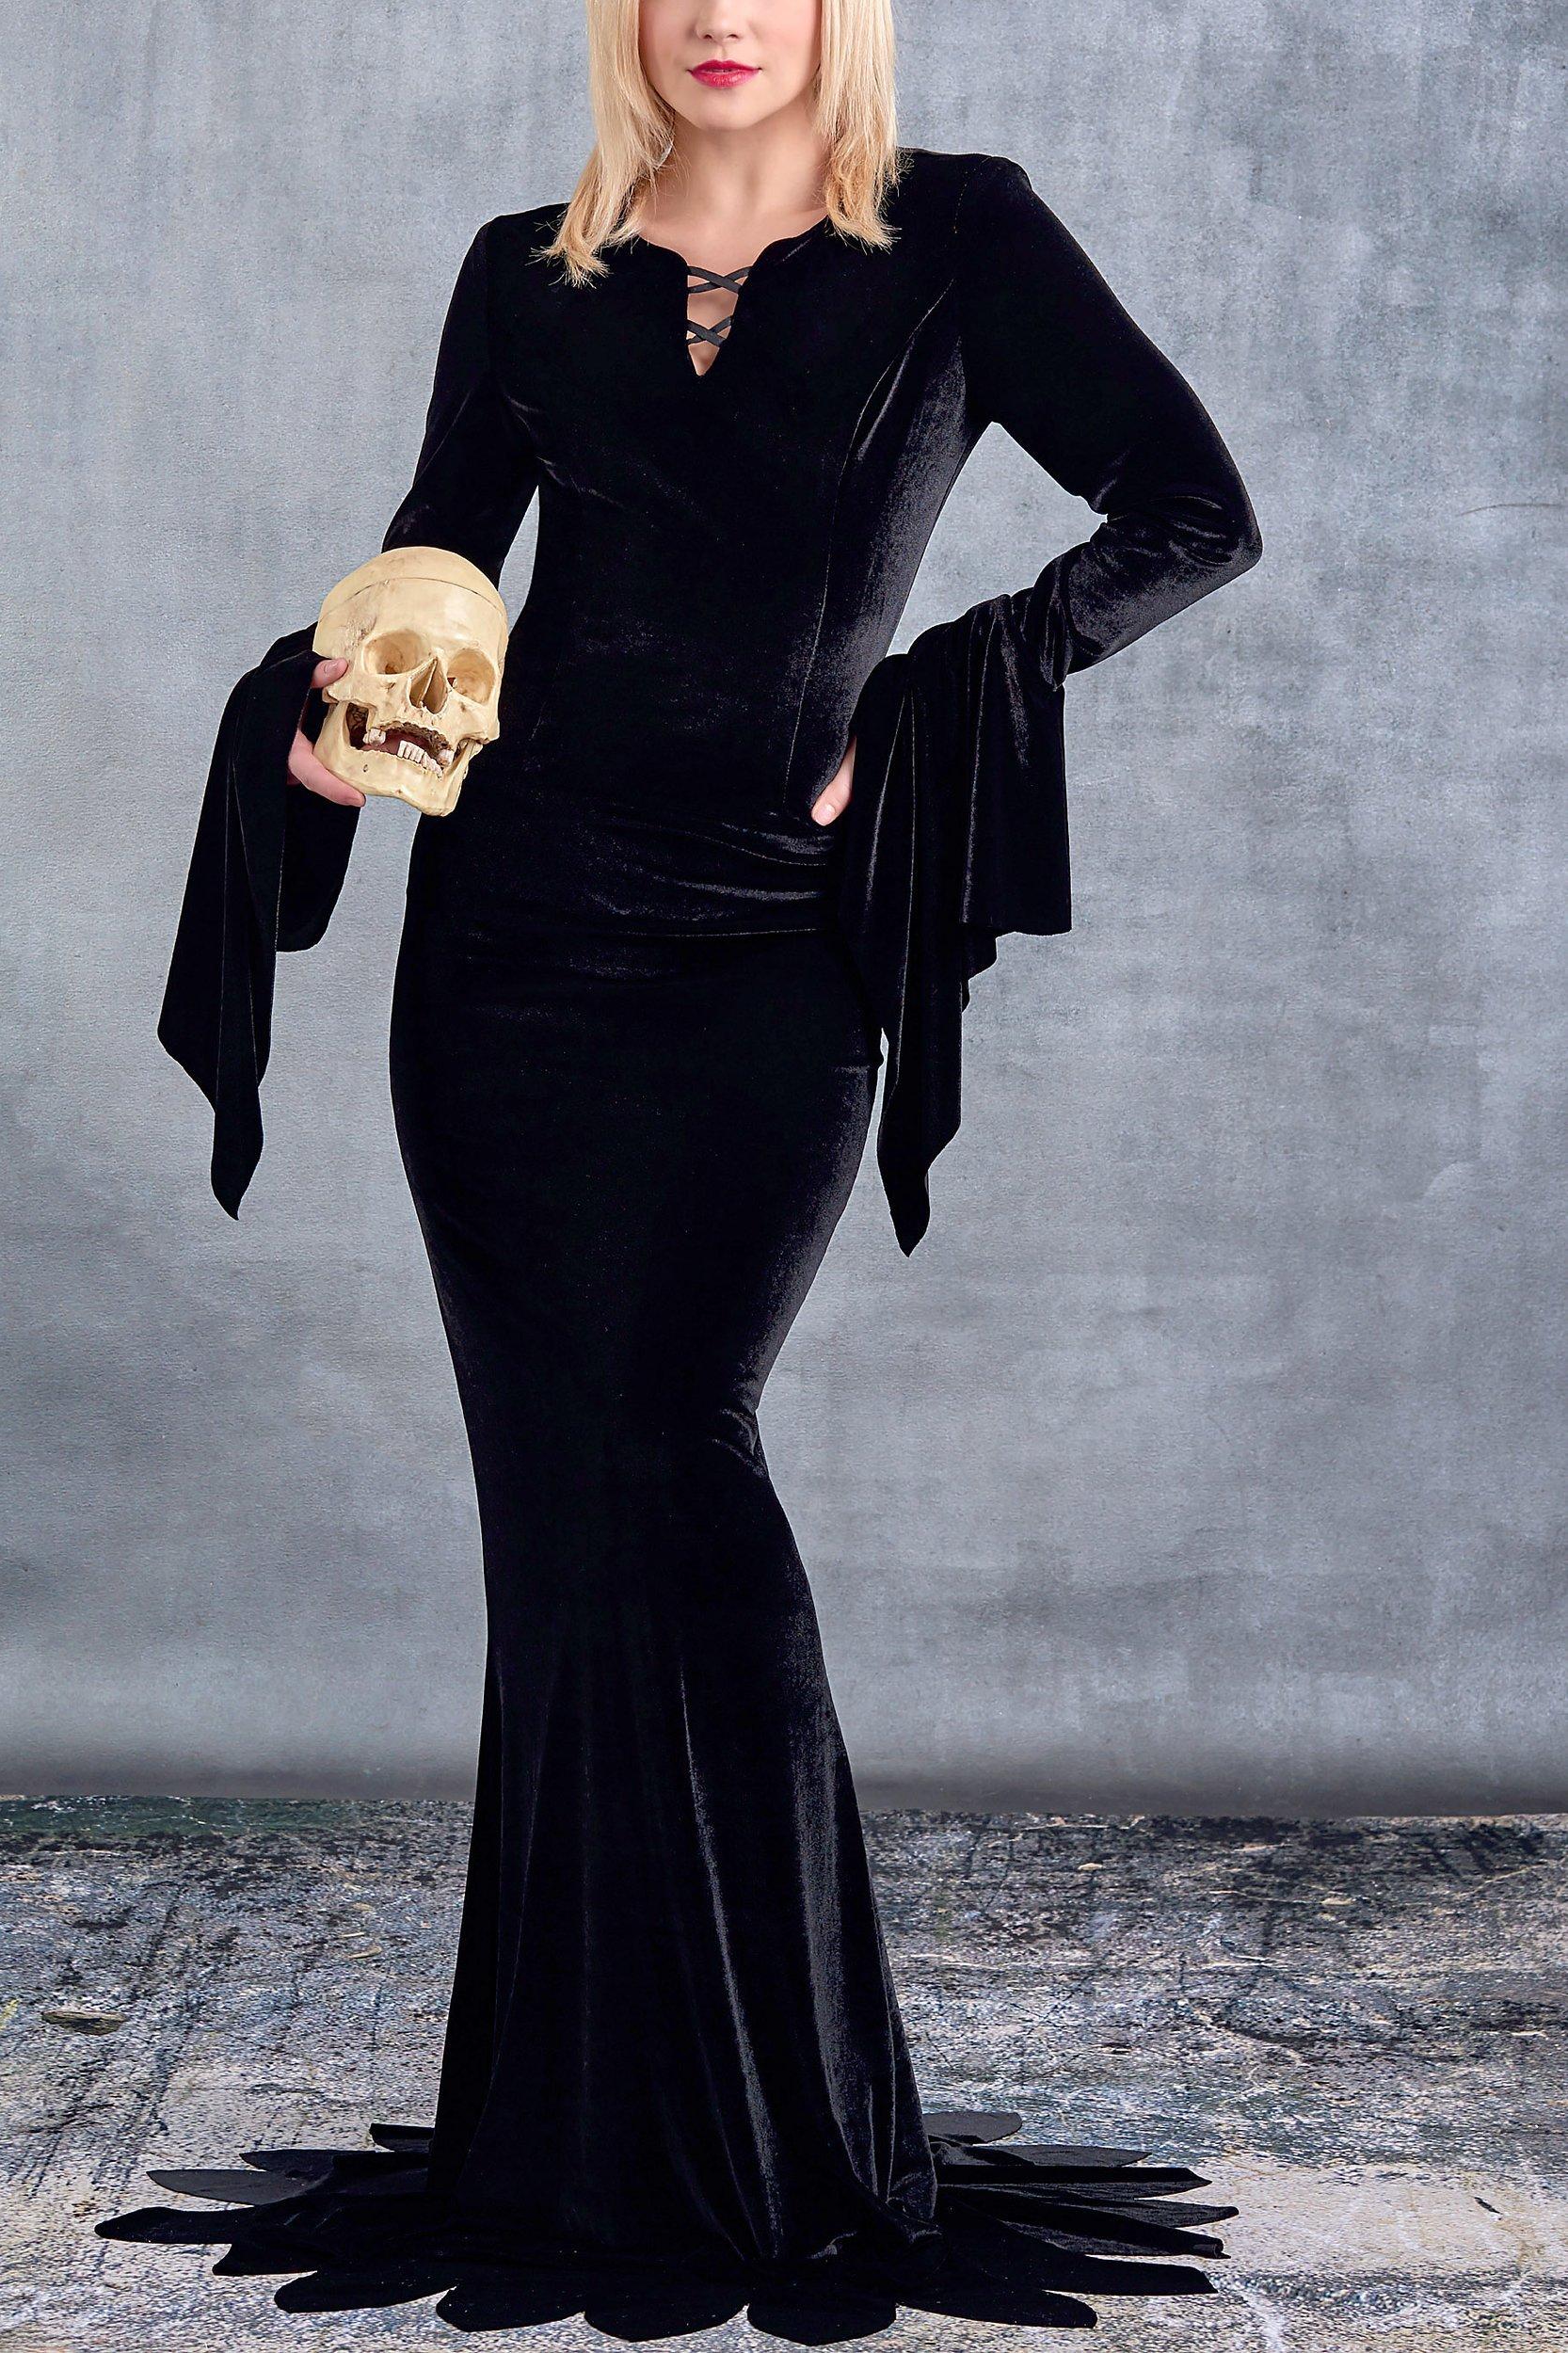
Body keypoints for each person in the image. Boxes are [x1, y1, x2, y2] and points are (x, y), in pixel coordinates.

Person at [132, 0, 1261, 2322]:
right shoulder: (525, 268)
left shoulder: (959, 239)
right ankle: (578, 2119)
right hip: (506, 950)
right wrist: (339, 722)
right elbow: (442, 561)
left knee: (675, 1446)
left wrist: (946, 689)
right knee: (561, 1522)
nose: (718, 12)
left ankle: (784, 2112)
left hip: (765, 948)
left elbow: (1189, 512)